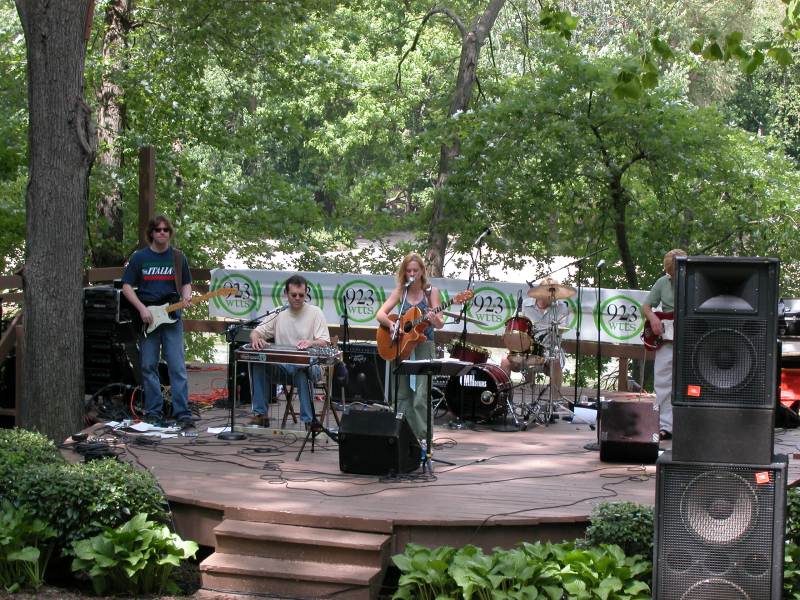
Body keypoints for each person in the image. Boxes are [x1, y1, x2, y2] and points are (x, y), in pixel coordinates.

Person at [122, 215, 194, 428]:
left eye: (165, 230)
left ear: (170, 233)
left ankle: (182, 412)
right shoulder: (139, 258)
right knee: (148, 366)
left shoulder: (178, 258)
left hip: (172, 318)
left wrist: (186, 297)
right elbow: (126, 286)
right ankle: (154, 411)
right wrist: (141, 309)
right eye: (158, 230)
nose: (162, 233)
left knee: (177, 366)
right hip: (148, 318)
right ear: (151, 233)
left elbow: (187, 283)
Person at [376, 253, 444, 440]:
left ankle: (422, 437)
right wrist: (392, 326)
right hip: (402, 347)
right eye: (408, 270)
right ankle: (402, 435)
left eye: (416, 270)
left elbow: (440, 324)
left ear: (423, 271)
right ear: (404, 273)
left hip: (424, 346)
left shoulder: (431, 292)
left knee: (421, 395)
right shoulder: (401, 291)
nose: (412, 273)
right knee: (402, 394)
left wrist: (433, 318)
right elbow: (380, 314)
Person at [249, 274, 330, 428]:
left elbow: (325, 342)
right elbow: (256, 332)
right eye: (294, 295)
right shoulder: (279, 313)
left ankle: (309, 421)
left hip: (310, 368)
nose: (298, 298)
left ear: (306, 294)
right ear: (286, 294)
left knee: (302, 369)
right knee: (259, 362)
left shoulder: (315, 312)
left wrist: (311, 342)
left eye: (301, 295)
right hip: (283, 368)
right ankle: (260, 414)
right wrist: (256, 339)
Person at [642, 248, 687, 441]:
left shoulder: (695, 282)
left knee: (688, 381)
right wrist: (653, 318)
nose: (674, 275)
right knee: (663, 380)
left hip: (690, 336)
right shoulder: (662, 282)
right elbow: (646, 305)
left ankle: (687, 424)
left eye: (676, 270)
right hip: (667, 337)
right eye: (671, 271)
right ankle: (664, 426)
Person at [500, 277, 569, 397]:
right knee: (505, 361)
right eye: (548, 292)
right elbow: (514, 326)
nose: (551, 296)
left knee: (556, 362)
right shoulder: (525, 305)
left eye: (553, 293)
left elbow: (561, 330)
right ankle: (504, 399)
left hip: (549, 349)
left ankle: (555, 401)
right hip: (526, 349)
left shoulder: (561, 307)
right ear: (540, 292)